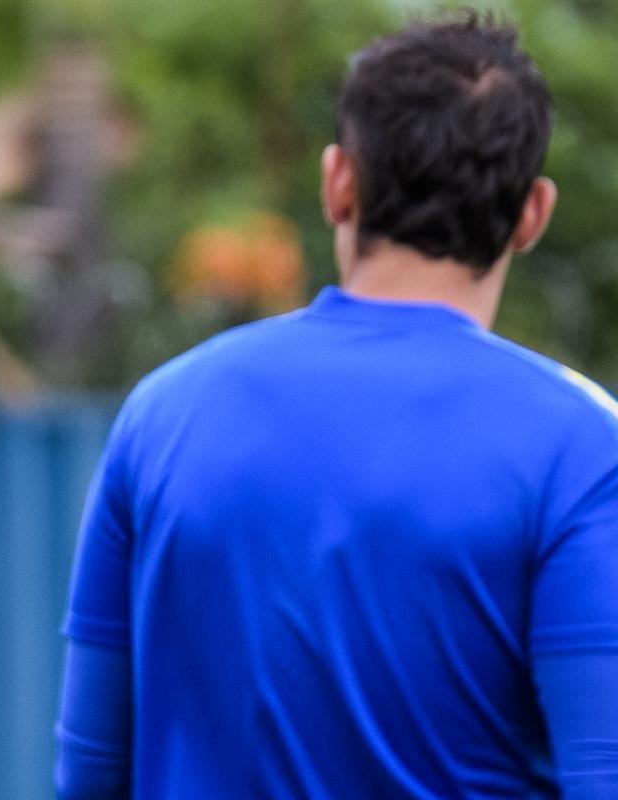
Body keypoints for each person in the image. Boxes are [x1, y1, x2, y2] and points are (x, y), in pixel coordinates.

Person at [56, 13, 618, 799]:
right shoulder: (582, 445)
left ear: (338, 182)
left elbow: (90, 771)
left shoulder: (162, 411)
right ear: (533, 212)